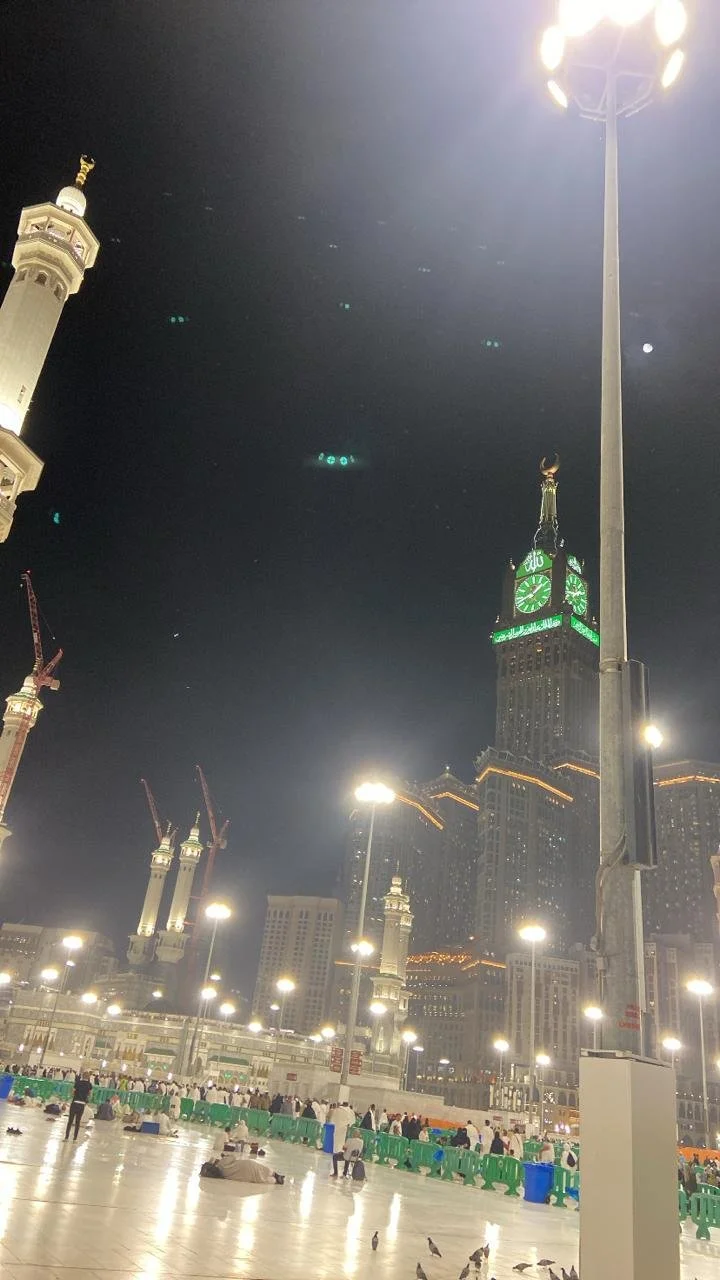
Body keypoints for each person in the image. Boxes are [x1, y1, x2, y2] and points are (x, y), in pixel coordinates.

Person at [329, 1101, 356, 1177]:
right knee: (346, 1152)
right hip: (345, 1132)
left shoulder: (337, 1110)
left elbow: (332, 1121)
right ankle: (344, 1173)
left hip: (337, 1131)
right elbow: (352, 1122)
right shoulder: (350, 1112)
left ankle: (335, 1172)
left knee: (336, 1151)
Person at [65, 1072, 93, 1141]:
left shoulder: (77, 1082)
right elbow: (90, 1094)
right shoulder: (89, 1085)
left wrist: (73, 1096)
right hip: (82, 1104)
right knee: (78, 1121)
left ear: (82, 1076)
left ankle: (66, 1137)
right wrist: (85, 1098)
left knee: (70, 1121)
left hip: (75, 1102)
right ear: (88, 1077)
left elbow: (73, 1091)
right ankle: (75, 1139)